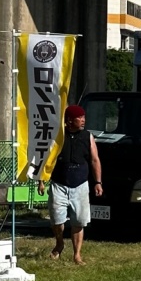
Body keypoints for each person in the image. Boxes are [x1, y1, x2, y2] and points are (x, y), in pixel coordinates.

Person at [48, 104, 103, 265]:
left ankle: (77, 255)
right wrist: (41, 180)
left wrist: (98, 182)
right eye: (80, 118)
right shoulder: (57, 136)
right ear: (69, 120)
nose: (83, 120)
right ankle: (59, 243)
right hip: (59, 183)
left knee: (79, 220)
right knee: (57, 220)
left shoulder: (88, 136)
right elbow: (47, 159)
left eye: (84, 117)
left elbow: (94, 160)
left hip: (80, 183)